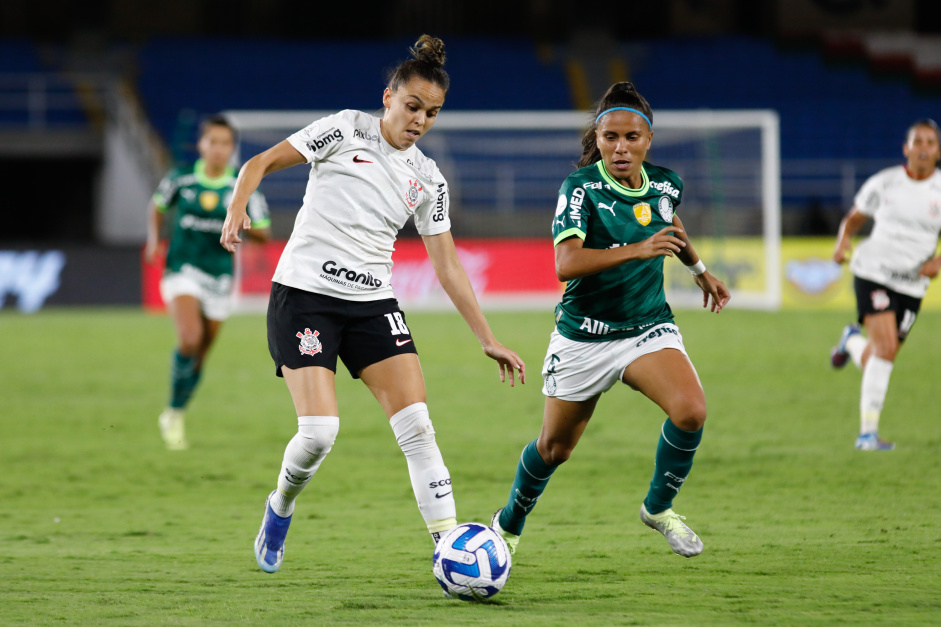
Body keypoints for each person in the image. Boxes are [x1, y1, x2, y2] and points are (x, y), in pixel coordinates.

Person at [219, 35, 526, 574]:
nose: (420, 120)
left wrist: (488, 338)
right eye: (413, 107)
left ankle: (450, 548)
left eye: (432, 113)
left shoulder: (428, 179)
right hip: (305, 298)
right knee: (319, 434)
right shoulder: (345, 128)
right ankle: (280, 506)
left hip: (371, 304)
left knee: (418, 428)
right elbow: (260, 163)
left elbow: (448, 264)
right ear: (388, 96)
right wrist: (237, 206)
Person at [489, 82, 730, 560]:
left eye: (632, 138)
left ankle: (659, 509)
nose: (621, 147)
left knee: (691, 411)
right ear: (596, 139)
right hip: (584, 337)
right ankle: (509, 523)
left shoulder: (666, 183)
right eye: (611, 137)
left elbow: (669, 225)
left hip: (646, 329)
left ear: (648, 140)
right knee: (555, 449)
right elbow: (566, 264)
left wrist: (700, 270)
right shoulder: (581, 189)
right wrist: (637, 249)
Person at [145, 114, 270, 450]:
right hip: (182, 269)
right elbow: (158, 206)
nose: (218, 149)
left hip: (220, 276)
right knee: (189, 339)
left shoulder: (239, 186)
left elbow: (264, 230)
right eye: (212, 142)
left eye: (225, 143)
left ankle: (174, 412)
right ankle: (173, 413)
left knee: (200, 355)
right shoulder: (181, 178)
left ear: (232, 148)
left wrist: (244, 223)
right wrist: (154, 239)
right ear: (201, 145)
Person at [830, 118, 941, 451]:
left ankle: (850, 342)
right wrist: (843, 239)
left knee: (880, 356)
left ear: (937, 151)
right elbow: (855, 216)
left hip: (912, 285)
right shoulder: (886, 183)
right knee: (887, 350)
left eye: (930, 143)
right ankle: (867, 434)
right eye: (917, 142)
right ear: (906, 149)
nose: (923, 148)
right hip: (873, 272)